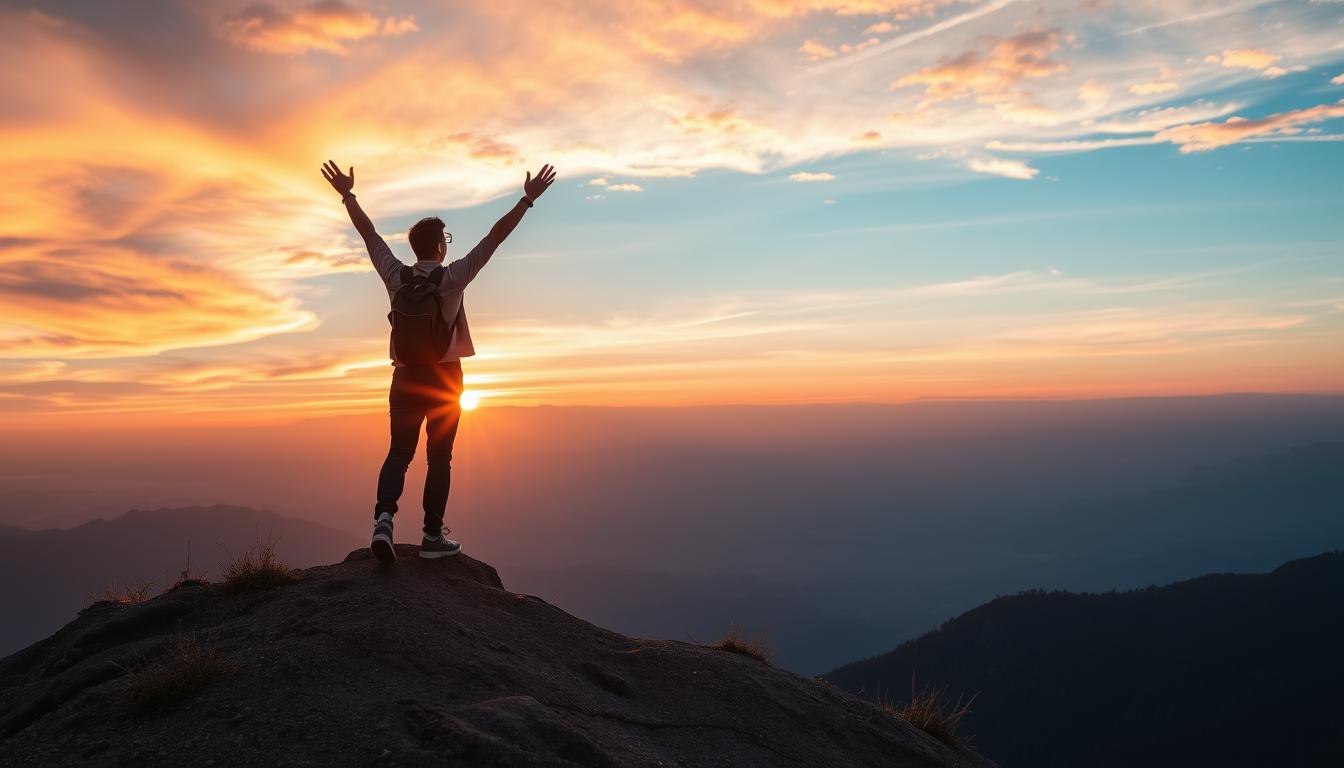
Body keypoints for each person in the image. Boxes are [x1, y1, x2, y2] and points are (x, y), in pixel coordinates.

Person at [320, 159, 556, 562]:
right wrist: (526, 201)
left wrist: (348, 195)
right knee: (439, 458)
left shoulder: (395, 276)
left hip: (405, 377)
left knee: (399, 453)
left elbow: (369, 235)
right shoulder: (453, 277)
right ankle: (431, 536)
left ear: (415, 247)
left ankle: (384, 522)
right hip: (446, 378)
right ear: (440, 245)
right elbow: (494, 238)